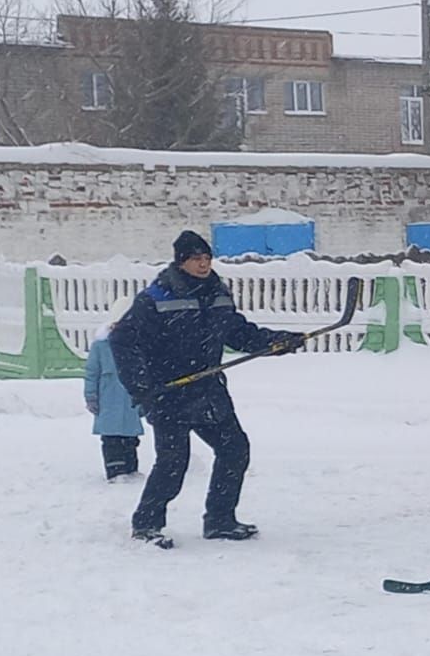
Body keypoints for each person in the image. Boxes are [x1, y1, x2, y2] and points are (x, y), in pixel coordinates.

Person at [110, 230, 306, 547]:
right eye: (196, 259)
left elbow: (239, 333)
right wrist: (142, 385)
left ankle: (220, 520)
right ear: (181, 261)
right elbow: (122, 341)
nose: (203, 264)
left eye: (207, 258)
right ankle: (146, 524)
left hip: (208, 391)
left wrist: (276, 341)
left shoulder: (217, 295)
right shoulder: (157, 298)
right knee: (173, 462)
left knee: (234, 449)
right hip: (169, 392)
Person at [84, 296, 145, 480]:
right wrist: (91, 396)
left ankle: (131, 469)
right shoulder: (101, 347)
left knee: (130, 439)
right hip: (108, 402)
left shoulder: (139, 347)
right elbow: (91, 372)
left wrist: (145, 398)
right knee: (111, 439)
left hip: (130, 403)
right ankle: (115, 471)